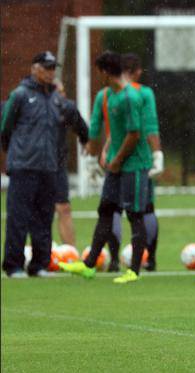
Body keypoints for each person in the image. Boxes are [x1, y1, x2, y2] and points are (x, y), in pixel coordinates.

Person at [58, 51, 151, 284]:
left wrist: (117, 159)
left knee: (135, 214)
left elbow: (134, 134)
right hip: (116, 165)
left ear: (104, 71)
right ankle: (89, 265)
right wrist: (99, 150)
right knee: (106, 210)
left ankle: (134, 271)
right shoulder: (107, 96)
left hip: (134, 164)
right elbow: (107, 131)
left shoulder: (130, 97)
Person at [1, 51, 62, 278]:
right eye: (46, 67)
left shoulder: (55, 97)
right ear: (34, 68)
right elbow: (5, 128)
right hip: (23, 166)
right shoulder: (19, 95)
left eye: (53, 67)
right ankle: (13, 265)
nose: (50, 72)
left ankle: (39, 264)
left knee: (44, 218)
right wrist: (18, 154)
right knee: (18, 217)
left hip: (48, 167)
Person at [103, 52, 163, 272]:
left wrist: (105, 152)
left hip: (116, 158)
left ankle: (114, 261)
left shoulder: (111, 93)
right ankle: (150, 259)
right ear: (137, 71)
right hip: (139, 159)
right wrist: (157, 154)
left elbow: (116, 129)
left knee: (114, 209)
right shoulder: (143, 93)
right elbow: (148, 125)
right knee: (143, 209)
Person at [52, 79, 89, 247]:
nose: (63, 96)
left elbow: (83, 129)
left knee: (64, 207)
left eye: (64, 92)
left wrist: (87, 142)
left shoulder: (66, 109)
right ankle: (33, 255)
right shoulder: (25, 102)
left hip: (57, 164)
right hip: (33, 166)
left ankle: (70, 255)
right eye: (60, 92)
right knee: (34, 212)